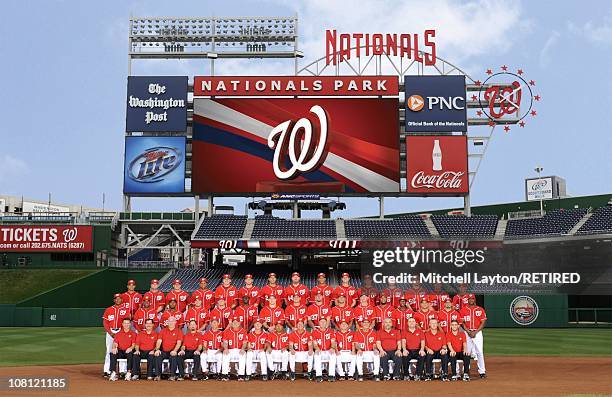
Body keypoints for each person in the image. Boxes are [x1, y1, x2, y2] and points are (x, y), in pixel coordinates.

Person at [102, 293, 130, 375]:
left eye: (119, 298)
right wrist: (110, 333)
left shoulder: (125, 309)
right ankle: (107, 370)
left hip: (121, 332)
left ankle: (122, 370)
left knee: (122, 350)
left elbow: (126, 322)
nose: (117, 300)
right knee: (109, 351)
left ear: (122, 300)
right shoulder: (108, 309)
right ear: (114, 300)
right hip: (111, 332)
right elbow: (105, 322)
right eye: (116, 298)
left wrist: (122, 333)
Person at [460, 295, 487, 378]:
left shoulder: (480, 309)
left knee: (479, 352)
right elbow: (462, 323)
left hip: (477, 333)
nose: (471, 300)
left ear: (474, 300)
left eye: (472, 299)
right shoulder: (463, 310)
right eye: (469, 299)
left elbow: (483, 322)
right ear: (467, 300)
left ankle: (482, 371)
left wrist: (476, 332)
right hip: (467, 332)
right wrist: (468, 331)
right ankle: (466, 371)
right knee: (467, 352)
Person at [154, 316, 183, 381]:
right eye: (169, 321)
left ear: (175, 322)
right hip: (164, 351)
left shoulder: (179, 331)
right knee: (158, 355)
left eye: (173, 321)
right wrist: (157, 349)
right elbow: (159, 341)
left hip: (173, 351)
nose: (171, 322)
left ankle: (172, 375)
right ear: (167, 322)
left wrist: (175, 350)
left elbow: (179, 343)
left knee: (173, 357)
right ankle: (158, 375)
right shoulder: (163, 331)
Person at [312, 318, 337, 382]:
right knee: (317, 355)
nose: (323, 323)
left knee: (333, 355)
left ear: (326, 323)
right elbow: (314, 343)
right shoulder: (315, 332)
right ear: (319, 323)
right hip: (320, 351)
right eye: (321, 322)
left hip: (328, 350)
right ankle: (319, 376)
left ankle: (331, 375)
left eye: (324, 322)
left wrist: (332, 348)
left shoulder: (330, 331)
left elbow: (333, 342)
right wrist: (317, 348)